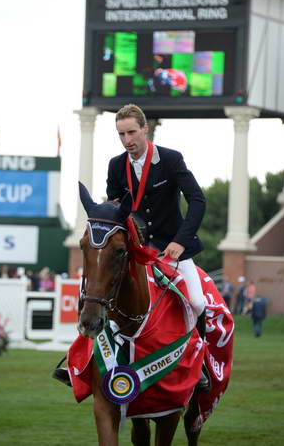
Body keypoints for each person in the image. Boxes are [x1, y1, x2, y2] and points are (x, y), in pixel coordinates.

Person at [106, 104, 207, 388]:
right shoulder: (116, 165)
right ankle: (90, 362)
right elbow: (115, 207)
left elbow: (198, 201)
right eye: (121, 134)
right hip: (135, 252)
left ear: (145, 129)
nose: (127, 140)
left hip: (171, 249)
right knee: (99, 294)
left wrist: (180, 241)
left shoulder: (171, 159)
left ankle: (199, 365)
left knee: (198, 302)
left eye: (132, 132)